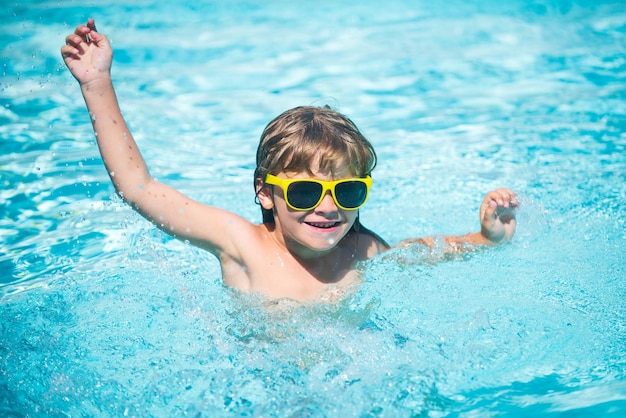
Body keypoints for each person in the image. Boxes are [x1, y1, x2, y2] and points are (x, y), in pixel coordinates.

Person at [61, 19, 519, 301]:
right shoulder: (241, 245)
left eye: (348, 191)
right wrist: (96, 83)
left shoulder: (361, 250)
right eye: (304, 191)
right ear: (265, 192)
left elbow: (424, 253)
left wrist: (485, 237)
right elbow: (139, 188)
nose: (328, 208)